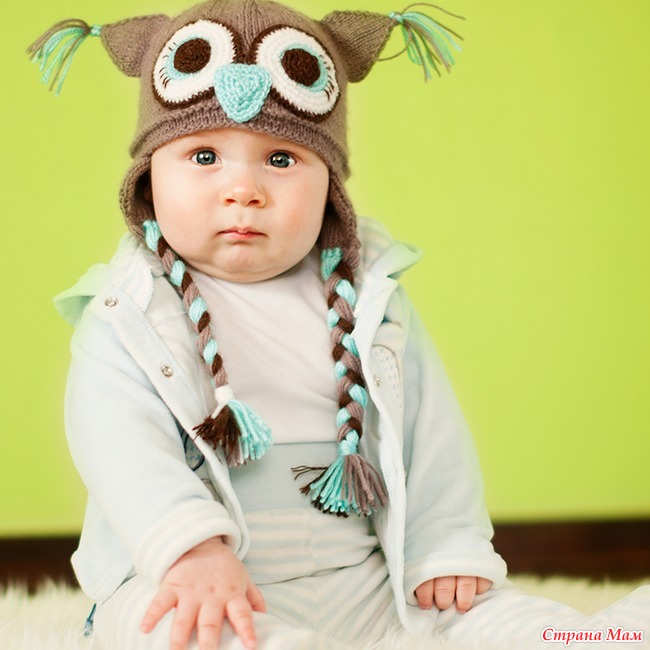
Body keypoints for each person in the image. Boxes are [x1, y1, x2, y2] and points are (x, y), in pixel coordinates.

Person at [30, 1, 649, 648]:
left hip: (364, 580)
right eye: (204, 155)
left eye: (280, 160)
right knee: (176, 631)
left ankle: (606, 637)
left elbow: (428, 428)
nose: (243, 190)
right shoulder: (128, 310)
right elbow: (118, 444)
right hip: (197, 580)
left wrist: (446, 544)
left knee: (483, 616)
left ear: (330, 186)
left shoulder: (368, 296)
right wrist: (187, 546)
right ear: (148, 180)